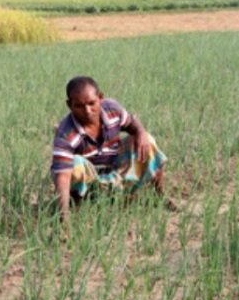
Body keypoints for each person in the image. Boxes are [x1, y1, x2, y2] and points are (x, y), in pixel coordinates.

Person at [51, 76, 169, 220]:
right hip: (91, 182)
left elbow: (132, 123)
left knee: (147, 141)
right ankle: (80, 206)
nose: (87, 111)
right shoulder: (66, 133)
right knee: (74, 164)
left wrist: (141, 132)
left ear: (100, 97)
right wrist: (64, 217)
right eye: (79, 106)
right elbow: (62, 176)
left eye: (91, 103)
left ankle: (159, 195)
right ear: (70, 105)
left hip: (116, 171)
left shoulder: (112, 109)